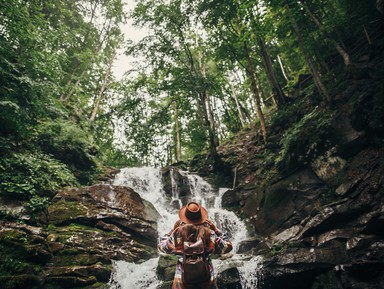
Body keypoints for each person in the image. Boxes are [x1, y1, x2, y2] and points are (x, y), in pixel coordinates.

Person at [158, 202, 233, 289]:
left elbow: (161, 247)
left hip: (182, 282)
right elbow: (228, 247)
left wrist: (172, 231)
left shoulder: (177, 234)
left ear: (184, 218)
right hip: (207, 281)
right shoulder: (210, 234)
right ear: (201, 218)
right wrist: (215, 230)